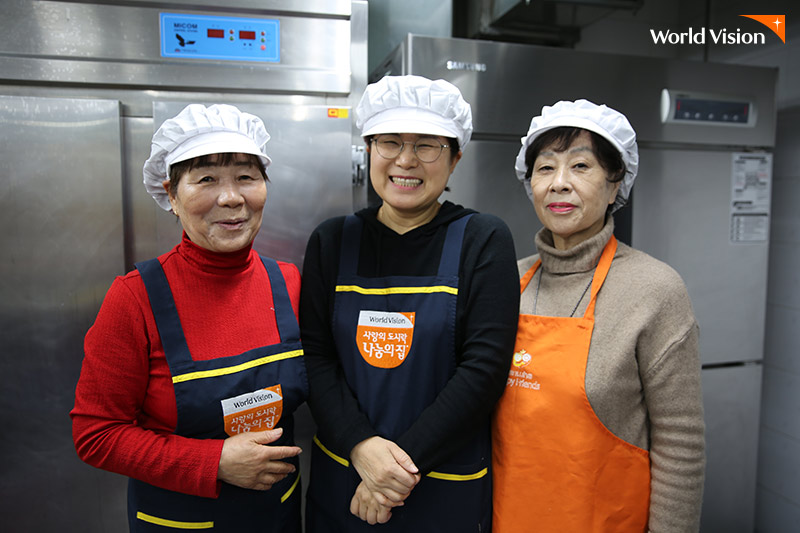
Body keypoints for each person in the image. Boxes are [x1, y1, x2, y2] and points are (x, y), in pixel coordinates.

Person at [71, 104, 308, 531]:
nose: (231, 196)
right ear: (172, 196)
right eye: (206, 180)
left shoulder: (287, 282)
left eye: (246, 177)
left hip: (279, 515)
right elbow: (96, 434)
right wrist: (212, 462)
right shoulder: (135, 297)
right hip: (177, 520)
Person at [300, 75, 519, 531]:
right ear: (368, 148)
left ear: (455, 158)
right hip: (346, 475)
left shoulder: (482, 239)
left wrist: (393, 473)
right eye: (390, 142)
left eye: (427, 146)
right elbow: (316, 359)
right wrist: (361, 448)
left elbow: (484, 371)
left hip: (441, 481)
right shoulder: (333, 240)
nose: (405, 159)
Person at [492, 99, 706, 532]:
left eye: (581, 167)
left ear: (615, 185)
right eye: (546, 168)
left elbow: (680, 441)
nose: (560, 184)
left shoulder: (653, 288)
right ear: (529, 183)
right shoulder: (504, 282)